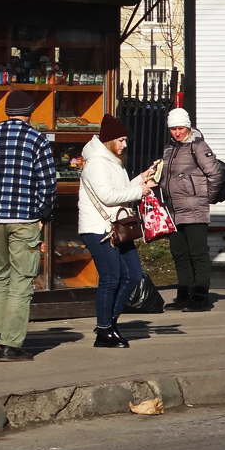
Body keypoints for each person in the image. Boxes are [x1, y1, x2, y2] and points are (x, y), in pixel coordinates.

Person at [0, 90, 56, 362]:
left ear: (6, 112)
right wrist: (43, 214)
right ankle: (12, 345)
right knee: (22, 281)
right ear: (30, 112)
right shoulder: (37, 139)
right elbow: (48, 182)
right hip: (23, 218)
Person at [79, 114, 155, 349]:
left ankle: (108, 323)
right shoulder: (97, 163)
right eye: (121, 140)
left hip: (117, 228)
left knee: (133, 274)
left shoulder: (113, 161)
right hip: (99, 229)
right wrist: (139, 191)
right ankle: (104, 331)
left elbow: (120, 190)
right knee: (111, 278)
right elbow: (108, 196)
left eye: (125, 140)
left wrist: (140, 180)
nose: (124, 144)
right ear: (109, 140)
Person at [160, 108, 225, 312]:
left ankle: (200, 295)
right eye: (173, 129)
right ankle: (184, 293)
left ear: (188, 127)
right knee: (179, 252)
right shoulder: (170, 149)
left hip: (194, 209)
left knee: (197, 253)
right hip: (173, 210)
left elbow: (215, 173)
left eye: (180, 128)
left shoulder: (197, 146)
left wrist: (207, 197)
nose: (177, 133)